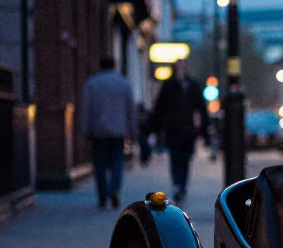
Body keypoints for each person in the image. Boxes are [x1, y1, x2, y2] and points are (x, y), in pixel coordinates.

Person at [78, 55, 136, 209]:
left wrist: (84, 129)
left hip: (98, 130)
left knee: (100, 163)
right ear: (114, 65)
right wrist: (132, 129)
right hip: (118, 130)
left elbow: (86, 108)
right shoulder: (124, 84)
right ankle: (114, 188)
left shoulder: (92, 83)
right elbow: (131, 108)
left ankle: (103, 195)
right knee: (117, 161)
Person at [149, 59, 208, 203]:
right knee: (176, 160)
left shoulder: (190, 85)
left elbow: (201, 108)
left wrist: (203, 129)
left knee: (185, 160)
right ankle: (178, 185)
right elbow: (159, 109)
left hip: (187, 131)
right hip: (175, 130)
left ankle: (180, 186)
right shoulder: (170, 85)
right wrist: (155, 128)